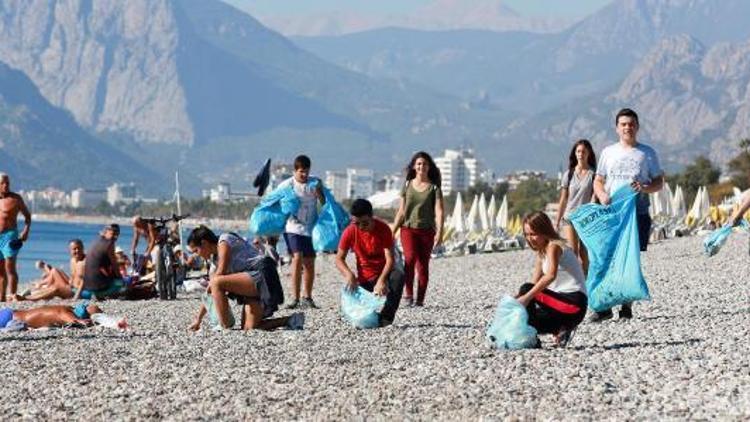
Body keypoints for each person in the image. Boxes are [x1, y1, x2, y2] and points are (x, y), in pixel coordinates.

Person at [592, 108, 664, 322]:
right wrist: (602, 195)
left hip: (638, 211)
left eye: (631, 123)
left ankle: (626, 306)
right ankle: (605, 307)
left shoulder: (647, 153)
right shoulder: (608, 152)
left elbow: (659, 182)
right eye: (623, 124)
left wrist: (643, 187)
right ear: (617, 128)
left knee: (631, 258)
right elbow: (598, 180)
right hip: (612, 213)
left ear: (637, 126)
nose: (627, 127)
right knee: (607, 259)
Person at [187, 226, 301, 331]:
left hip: (262, 274)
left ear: (204, 243)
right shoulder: (214, 261)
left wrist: (213, 282)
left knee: (216, 282)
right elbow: (210, 292)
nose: (197, 255)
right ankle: (290, 320)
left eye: (196, 251)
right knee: (249, 327)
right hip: (249, 281)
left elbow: (219, 275)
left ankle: (224, 327)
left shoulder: (224, 240)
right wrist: (198, 319)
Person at [518, 212, 588, 347]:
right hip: (561, 307)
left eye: (533, 234)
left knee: (526, 290)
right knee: (524, 316)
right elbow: (534, 283)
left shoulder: (554, 245)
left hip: (574, 304)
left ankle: (533, 337)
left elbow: (550, 275)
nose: (530, 238)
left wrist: (526, 297)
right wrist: (516, 302)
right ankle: (560, 329)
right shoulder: (541, 253)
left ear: (544, 231)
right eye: (526, 234)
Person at [335, 199, 405, 327]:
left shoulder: (383, 229)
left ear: (372, 216)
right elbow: (339, 258)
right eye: (357, 223)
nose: (361, 227)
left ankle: (386, 317)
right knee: (356, 313)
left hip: (385, 271)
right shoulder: (350, 231)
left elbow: (390, 259)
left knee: (399, 276)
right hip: (365, 278)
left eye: (365, 223)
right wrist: (349, 275)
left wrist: (382, 280)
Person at [391, 151, 444, 306]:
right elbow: (401, 211)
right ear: (414, 166)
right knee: (410, 259)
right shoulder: (407, 185)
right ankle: (408, 295)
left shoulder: (434, 188)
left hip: (427, 231)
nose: (422, 166)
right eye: (419, 163)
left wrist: (440, 232)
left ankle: (420, 299)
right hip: (408, 229)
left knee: (423, 265)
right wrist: (393, 231)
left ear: (429, 167)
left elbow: (439, 211)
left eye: (425, 164)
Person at [278, 155, 325, 309]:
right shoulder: (287, 185)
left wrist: (319, 193)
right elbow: (276, 203)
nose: (304, 175)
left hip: (310, 228)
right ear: (295, 171)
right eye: (301, 172)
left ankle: (308, 297)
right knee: (297, 258)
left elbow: (324, 203)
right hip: (292, 227)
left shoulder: (315, 183)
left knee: (310, 263)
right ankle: (295, 298)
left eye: (306, 172)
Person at [555, 139, 597, 276]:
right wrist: (557, 219)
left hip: (586, 218)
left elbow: (594, 197)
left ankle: (586, 280)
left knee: (584, 252)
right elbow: (563, 198)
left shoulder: (594, 174)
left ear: (588, 153)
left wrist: (590, 211)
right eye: (578, 151)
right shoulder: (568, 174)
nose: (580, 154)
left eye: (583, 151)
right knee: (572, 252)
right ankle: (575, 280)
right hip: (569, 217)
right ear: (575, 153)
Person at [0, 173, 32, 302]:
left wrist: (25, 232)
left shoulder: (15, 199)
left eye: (7, 183)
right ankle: (2, 297)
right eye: (2, 183)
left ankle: (13, 296)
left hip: (10, 236)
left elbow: (27, 217)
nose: (6, 185)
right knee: (0, 270)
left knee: (10, 267)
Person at [79, 224, 126, 300]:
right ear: (106, 232)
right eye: (113, 234)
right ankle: (103, 294)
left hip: (87, 285)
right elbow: (115, 265)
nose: (115, 237)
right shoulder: (109, 244)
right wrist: (122, 280)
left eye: (117, 235)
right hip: (100, 287)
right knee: (121, 283)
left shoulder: (96, 240)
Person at [0, 302, 103, 329]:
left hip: (13, 314)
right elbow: (62, 314)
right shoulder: (66, 311)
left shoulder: (66, 309)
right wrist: (79, 321)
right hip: (11, 317)